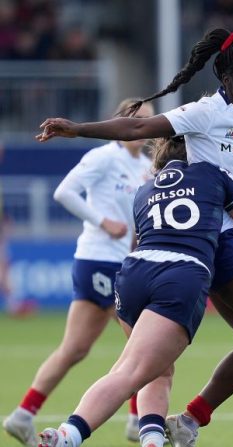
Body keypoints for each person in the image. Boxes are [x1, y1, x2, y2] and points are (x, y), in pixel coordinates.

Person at [34, 28, 233, 447]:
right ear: (226, 81)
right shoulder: (205, 114)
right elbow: (133, 129)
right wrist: (79, 128)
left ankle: (185, 422)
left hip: (169, 256)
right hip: (208, 243)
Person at [36, 135, 233, 447]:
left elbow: (140, 237)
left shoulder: (144, 189)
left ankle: (151, 440)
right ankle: (68, 435)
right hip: (179, 276)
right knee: (130, 372)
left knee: (156, 371)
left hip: (132, 273)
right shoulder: (215, 174)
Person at [3, 98, 153, 447]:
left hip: (122, 262)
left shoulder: (145, 166)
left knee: (78, 349)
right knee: (144, 348)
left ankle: (24, 414)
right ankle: (138, 420)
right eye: (137, 119)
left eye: (148, 120)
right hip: (100, 259)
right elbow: (64, 192)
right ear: (120, 123)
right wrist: (102, 221)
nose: (143, 128)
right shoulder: (103, 157)